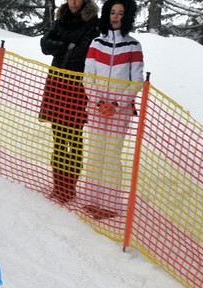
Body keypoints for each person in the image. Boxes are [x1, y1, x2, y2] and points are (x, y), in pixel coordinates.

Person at [81, 0, 144, 220]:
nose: (116, 17)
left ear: (127, 16)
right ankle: (91, 200)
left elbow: (136, 81)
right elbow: (87, 77)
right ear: (107, 14)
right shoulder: (96, 43)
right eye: (112, 12)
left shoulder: (133, 45)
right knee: (96, 151)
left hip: (120, 112)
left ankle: (109, 205)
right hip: (96, 109)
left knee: (111, 155)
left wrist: (116, 104)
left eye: (120, 13)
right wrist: (99, 102)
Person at [40, 0, 100, 204]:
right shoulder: (61, 19)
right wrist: (66, 46)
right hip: (56, 84)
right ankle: (58, 186)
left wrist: (59, 47)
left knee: (74, 138)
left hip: (77, 87)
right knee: (58, 138)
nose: (73, 2)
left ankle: (70, 187)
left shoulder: (93, 23)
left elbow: (82, 52)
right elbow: (44, 45)